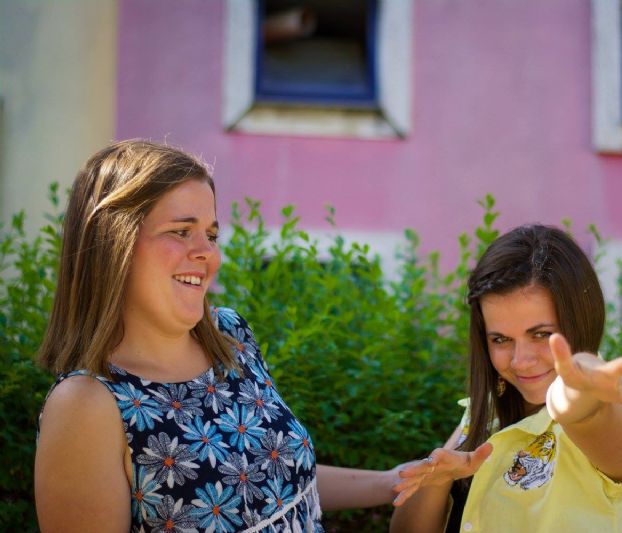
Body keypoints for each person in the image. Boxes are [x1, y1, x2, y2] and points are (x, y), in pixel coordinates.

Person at [35, 140, 405, 533]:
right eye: (181, 231)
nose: (206, 253)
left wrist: (391, 482)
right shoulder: (85, 406)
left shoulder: (230, 335)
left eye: (211, 235)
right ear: (115, 243)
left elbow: (271, 479)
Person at [390, 224, 622, 532]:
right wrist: (438, 480)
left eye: (541, 334)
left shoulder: (604, 415)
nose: (521, 361)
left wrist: (578, 389)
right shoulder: (485, 409)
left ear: (581, 319)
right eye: (501, 339)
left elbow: (582, 411)